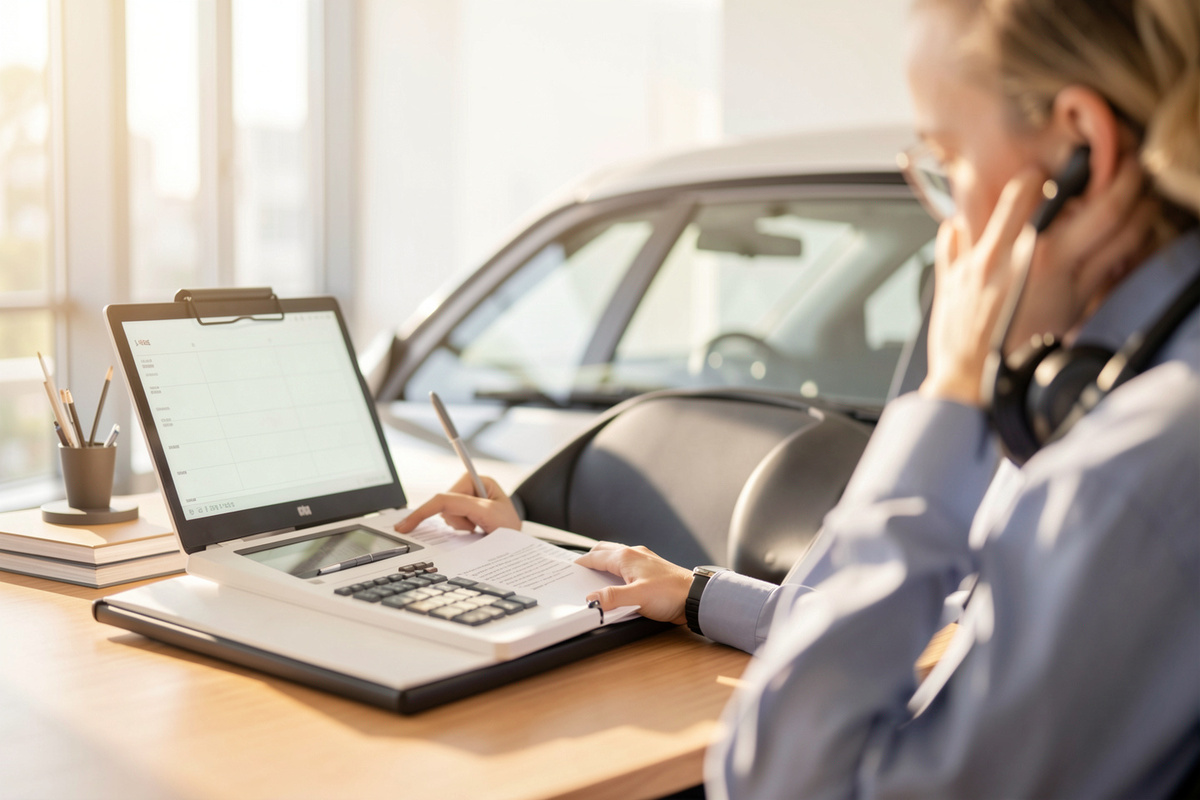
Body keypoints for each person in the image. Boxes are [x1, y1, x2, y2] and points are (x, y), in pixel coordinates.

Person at [397, 0, 1200, 795]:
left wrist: (951, 391)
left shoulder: (1130, 470)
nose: (942, 218)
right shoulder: (1124, 409)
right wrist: (701, 595)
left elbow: (777, 781)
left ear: (1081, 151)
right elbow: (961, 608)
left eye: (948, 161)